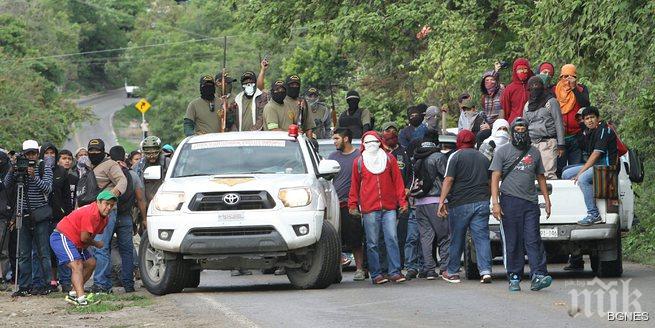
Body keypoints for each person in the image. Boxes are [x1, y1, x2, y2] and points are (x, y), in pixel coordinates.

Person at [490, 118, 553, 292]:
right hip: (509, 202)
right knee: (513, 241)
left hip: (531, 203)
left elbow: (540, 177)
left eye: (523, 129)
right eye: (517, 129)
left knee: (533, 240)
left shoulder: (534, 152)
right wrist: (495, 203)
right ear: (512, 132)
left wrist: (546, 200)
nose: (520, 132)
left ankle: (538, 275)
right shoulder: (502, 152)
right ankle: (515, 276)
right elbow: (495, 177)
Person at [348, 131, 408, 284]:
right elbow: (354, 185)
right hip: (369, 208)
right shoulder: (359, 162)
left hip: (389, 207)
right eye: (367, 142)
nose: (371, 145)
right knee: (372, 242)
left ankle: (394, 271)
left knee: (392, 239)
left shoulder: (389, 159)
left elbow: (398, 183)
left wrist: (402, 202)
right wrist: (352, 204)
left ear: (380, 142)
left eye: (374, 141)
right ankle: (376, 274)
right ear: (363, 145)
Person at [437, 130, 492, 284]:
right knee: (481, 238)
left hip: (460, 204)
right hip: (481, 202)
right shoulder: (483, 157)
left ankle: (453, 272)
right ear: (473, 141)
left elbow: (448, 180)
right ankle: (485, 271)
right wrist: (488, 198)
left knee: (457, 238)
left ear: (459, 141)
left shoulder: (455, 156)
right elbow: (489, 182)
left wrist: (441, 201)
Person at [50, 190, 117, 306]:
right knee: (77, 264)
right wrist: (96, 244)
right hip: (62, 236)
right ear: (98, 202)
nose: (109, 207)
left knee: (91, 263)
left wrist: (87, 246)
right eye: (106, 204)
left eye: (111, 205)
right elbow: (85, 237)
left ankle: (73, 294)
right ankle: (81, 299)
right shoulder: (91, 213)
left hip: (76, 240)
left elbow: (90, 235)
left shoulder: (104, 218)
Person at [5, 140, 54, 297]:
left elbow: (47, 188)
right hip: (22, 213)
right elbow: (6, 185)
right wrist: (12, 169)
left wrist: (34, 177)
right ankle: (24, 285)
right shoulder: (19, 167)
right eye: (28, 153)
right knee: (24, 253)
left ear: (38, 154)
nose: (31, 156)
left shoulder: (43, 167)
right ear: (23, 154)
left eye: (33, 153)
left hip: (39, 215)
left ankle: (45, 283)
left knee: (43, 252)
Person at [562, 106, 618, 226]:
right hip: (596, 167)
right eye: (586, 118)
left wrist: (580, 172)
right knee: (566, 173)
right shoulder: (589, 132)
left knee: (582, 178)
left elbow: (596, 154)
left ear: (598, 118)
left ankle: (594, 214)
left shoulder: (604, 130)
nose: (589, 121)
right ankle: (580, 206)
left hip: (607, 168)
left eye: (592, 117)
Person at [86, 138, 127, 294]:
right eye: (91, 151)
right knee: (96, 247)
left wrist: (111, 197)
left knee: (101, 247)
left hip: (107, 212)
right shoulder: (90, 166)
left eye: (97, 151)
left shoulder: (110, 165)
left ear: (103, 151)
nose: (94, 153)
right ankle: (104, 282)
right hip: (92, 212)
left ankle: (101, 284)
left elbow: (122, 181)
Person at [328, 128, 365, 281]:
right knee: (334, 239)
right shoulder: (332, 157)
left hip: (353, 205)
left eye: (336, 138)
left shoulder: (359, 156)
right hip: (336, 205)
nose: (334, 141)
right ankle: (335, 271)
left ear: (346, 139)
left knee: (356, 239)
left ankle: (360, 269)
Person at [36, 143, 73, 293]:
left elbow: (66, 198)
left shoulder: (62, 172)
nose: (50, 155)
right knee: (44, 251)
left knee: (61, 251)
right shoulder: (37, 171)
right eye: (47, 152)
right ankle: (48, 281)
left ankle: (65, 282)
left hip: (59, 217)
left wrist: (69, 215)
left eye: (52, 153)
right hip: (41, 217)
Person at [411, 141, 450, 280]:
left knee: (426, 237)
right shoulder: (438, 157)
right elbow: (447, 177)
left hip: (420, 202)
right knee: (445, 236)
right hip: (436, 201)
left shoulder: (416, 158)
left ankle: (429, 269)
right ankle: (445, 267)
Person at [381, 122, 414, 273]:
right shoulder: (379, 152)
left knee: (401, 235)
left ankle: (399, 265)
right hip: (384, 201)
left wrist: (408, 188)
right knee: (384, 236)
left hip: (402, 200)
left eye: (394, 131)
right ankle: (383, 266)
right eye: (388, 131)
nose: (391, 133)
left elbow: (411, 173)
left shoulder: (403, 152)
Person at [108, 146, 141, 292]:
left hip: (108, 215)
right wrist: (143, 217)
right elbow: (140, 199)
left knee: (105, 248)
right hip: (126, 216)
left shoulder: (107, 171)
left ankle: (105, 283)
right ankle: (128, 284)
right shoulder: (132, 175)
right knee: (127, 250)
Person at [522, 76, 566, 179]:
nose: (535, 88)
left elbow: (559, 123)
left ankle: (551, 195)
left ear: (543, 87)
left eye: (537, 86)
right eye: (532, 86)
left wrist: (561, 145)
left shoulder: (551, 102)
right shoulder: (527, 105)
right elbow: (525, 125)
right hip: (532, 143)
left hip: (548, 142)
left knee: (548, 174)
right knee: (531, 174)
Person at [555, 64, 590, 177]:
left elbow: (585, 104)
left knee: (576, 168)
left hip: (576, 136)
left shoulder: (581, 89)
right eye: (564, 76)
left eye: (570, 76)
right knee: (559, 169)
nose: (567, 79)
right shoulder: (555, 90)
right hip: (560, 137)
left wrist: (574, 88)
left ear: (575, 77)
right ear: (560, 77)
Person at [135, 136, 170, 208]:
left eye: (154, 153)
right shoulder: (139, 165)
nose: (151, 156)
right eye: (148, 154)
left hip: (165, 204)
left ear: (160, 151)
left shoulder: (168, 162)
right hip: (145, 206)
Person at [501, 58, 534, 125]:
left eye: (525, 68)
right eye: (519, 69)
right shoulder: (509, 89)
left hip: (532, 122)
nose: (522, 71)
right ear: (515, 71)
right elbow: (506, 110)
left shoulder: (534, 85)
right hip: (515, 123)